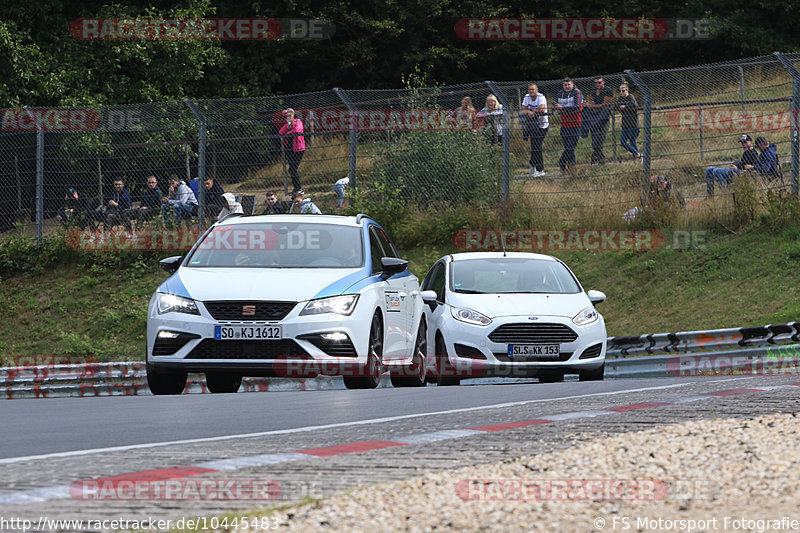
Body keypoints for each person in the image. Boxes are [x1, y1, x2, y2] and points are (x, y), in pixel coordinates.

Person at [553, 78, 583, 172]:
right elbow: (555, 105)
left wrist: (562, 108)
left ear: (572, 84)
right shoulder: (560, 94)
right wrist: (556, 108)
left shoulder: (577, 92)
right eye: (565, 85)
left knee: (571, 146)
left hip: (575, 124)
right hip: (564, 125)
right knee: (568, 148)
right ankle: (571, 167)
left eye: (568, 84)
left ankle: (561, 161)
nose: (567, 86)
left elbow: (577, 106)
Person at [582, 76, 614, 164]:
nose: (597, 84)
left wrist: (592, 106)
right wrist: (589, 104)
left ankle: (596, 158)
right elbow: (591, 101)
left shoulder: (607, 90)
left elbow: (606, 104)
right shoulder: (593, 91)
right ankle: (600, 159)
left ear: (603, 82)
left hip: (603, 118)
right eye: (596, 83)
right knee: (595, 141)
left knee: (600, 139)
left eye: (599, 82)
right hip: (594, 117)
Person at [520, 83, 549, 177]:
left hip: (542, 125)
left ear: (537, 90)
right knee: (535, 146)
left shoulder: (541, 97)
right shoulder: (526, 97)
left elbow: (542, 109)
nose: (531, 91)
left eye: (533, 89)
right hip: (531, 126)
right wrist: (529, 111)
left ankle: (539, 168)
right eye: (530, 90)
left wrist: (533, 112)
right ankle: (534, 165)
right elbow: (523, 109)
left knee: (537, 146)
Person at [278, 108, 306, 193]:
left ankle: (299, 188)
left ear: (293, 116)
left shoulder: (298, 122)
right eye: (287, 116)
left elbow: (297, 130)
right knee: (291, 169)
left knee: (293, 168)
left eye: (290, 116)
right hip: (290, 149)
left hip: (298, 149)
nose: (288, 117)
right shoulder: (287, 125)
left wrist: (289, 132)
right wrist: (287, 126)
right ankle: (296, 188)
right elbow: (280, 132)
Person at [616, 83, 640, 160]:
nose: (621, 92)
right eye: (620, 90)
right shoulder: (620, 99)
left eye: (623, 90)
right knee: (623, 142)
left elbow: (635, 106)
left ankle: (637, 157)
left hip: (633, 124)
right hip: (625, 124)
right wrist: (619, 107)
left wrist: (625, 107)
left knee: (632, 141)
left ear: (627, 90)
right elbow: (616, 106)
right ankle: (638, 154)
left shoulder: (630, 97)